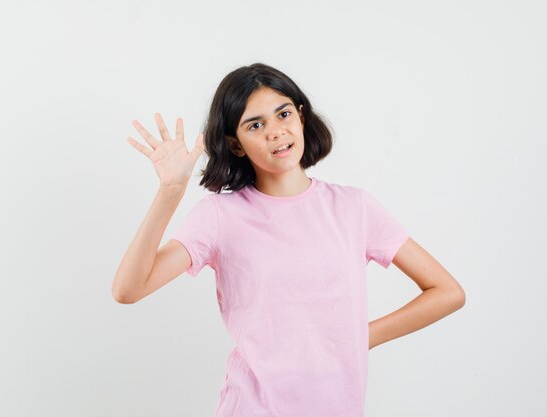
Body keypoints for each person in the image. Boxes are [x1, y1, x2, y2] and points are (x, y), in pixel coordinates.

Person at [113, 63, 466, 417]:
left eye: (283, 114)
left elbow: (447, 292)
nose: (276, 131)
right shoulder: (220, 216)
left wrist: (361, 337)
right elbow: (129, 289)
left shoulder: (354, 207)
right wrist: (170, 191)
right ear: (236, 144)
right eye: (256, 124)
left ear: (300, 115)